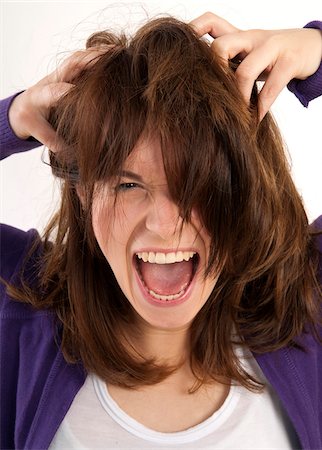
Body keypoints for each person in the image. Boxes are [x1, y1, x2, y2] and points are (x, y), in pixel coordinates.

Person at [1, 12, 322, 450]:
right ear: (81, 193)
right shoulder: (20, 308)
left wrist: (316, 50)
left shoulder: (304, 302)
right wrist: (14, 117)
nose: (163, 224)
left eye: (197, 182)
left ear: (242, 191)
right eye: (127, 183)